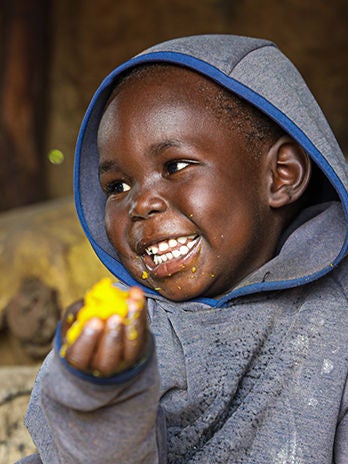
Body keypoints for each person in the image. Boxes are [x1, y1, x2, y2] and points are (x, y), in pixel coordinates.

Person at [19, 34, 348, 463]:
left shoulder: (335, 322)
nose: (140, 204)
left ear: (280, 176)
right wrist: (101, 392)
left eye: (174, 166)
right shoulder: (123, 333)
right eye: (117, 186)